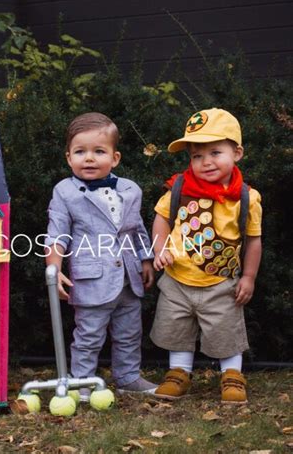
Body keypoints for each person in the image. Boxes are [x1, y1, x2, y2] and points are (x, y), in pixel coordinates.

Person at [150, 108, 262, 404]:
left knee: (225, 329)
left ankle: (232, 375)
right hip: (177, 279)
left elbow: (253, 240)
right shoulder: (180, 188)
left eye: (215, 152)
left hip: (220, 281)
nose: (205, 162)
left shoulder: (246, 198)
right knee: (176, 326)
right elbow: (161, 219)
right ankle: (178, 372)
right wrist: (159, 249)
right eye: (196, 156)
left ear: (236, 153)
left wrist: (248, 276)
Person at [45, 112, 156, 399]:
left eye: (99, 151)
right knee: (89, 335)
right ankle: (81, 381)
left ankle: (128, 376)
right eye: (80, 152)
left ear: (115, 158)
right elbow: (57, 234)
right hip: (91, 278)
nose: (89, 158)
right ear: (69, 157)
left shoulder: (131, 190)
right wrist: (53, 269)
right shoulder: (65, 192)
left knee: (129, 332)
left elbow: (137, 228)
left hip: (129, 278)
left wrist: (145, 259)